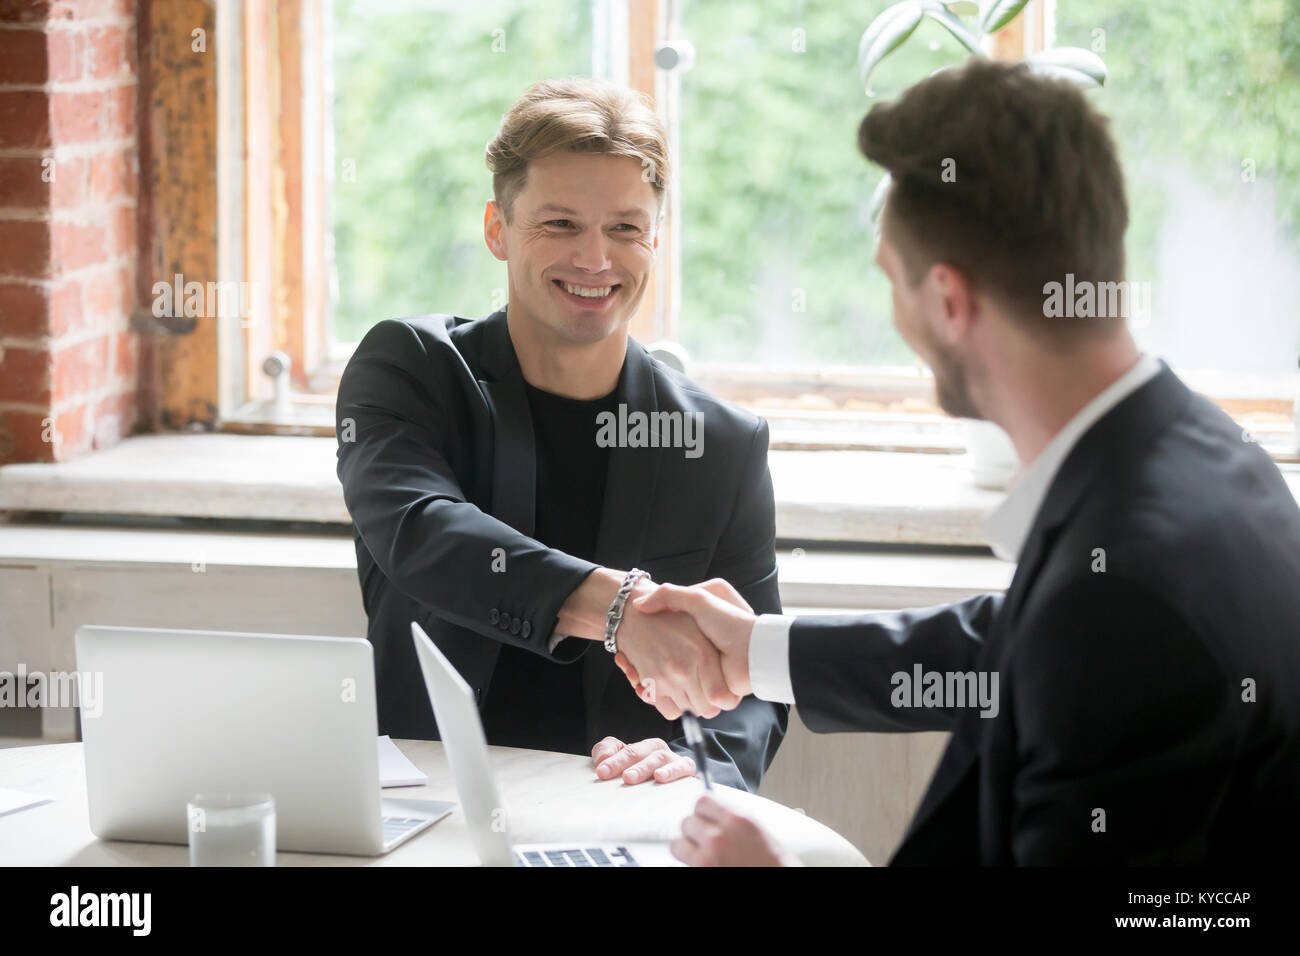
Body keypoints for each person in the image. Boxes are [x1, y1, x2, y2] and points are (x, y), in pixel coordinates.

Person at [617, 59, 1300, 863]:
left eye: (893, 282)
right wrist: (759, 650)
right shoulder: (1203, 457)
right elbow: (1017, 643)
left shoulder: (1124, 594)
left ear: (948, 300)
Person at [335, 77, 788, 791]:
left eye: (624, 228)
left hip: (617, 819)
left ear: (655, 240)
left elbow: (756, 679)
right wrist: (620, 610)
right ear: (496, 229)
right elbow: (422, 533)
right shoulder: (412, 372)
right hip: (420, 804)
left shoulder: (722, 443)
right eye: (560, 224)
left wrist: (698, 764)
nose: (595, 260)